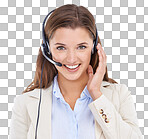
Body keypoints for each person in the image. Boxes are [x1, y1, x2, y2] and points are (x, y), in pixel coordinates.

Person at [9, 4, 142, 139]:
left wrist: (96, 95)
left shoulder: (119, 95)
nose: (71, 59)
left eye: (81, 47)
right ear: (48, 51)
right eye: (61, 48)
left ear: (94, 48)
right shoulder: (26, 103)